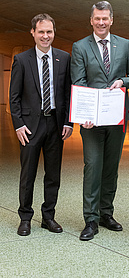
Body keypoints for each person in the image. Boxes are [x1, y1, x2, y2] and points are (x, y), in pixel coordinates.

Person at [71, 1, 129, 241]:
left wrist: (122, 81)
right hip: (91, 121)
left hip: (117, 118)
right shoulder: (80, 47)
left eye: (105, 19)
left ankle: (106, 213)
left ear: (112, 20)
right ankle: (90, 219)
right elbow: (78, 82)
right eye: (97, 18)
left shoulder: (125, 44)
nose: (101, 22)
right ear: (91, 20)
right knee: (93, 166)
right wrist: (84, 115)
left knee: (111, 167)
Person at [9, 13, 73, 236]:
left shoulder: (64, 58)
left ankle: (48, 217)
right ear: (33, 33)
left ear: (54, 33)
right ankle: (25, 217)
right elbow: (14, 96)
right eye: (41, 32)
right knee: (28, 174)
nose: (45, 36)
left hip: (55, 125)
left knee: (53, 174)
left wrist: (68, 122)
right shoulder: (21, 59)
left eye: (49, 32)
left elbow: (67, 94)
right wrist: (18, 125)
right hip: (29, 127)